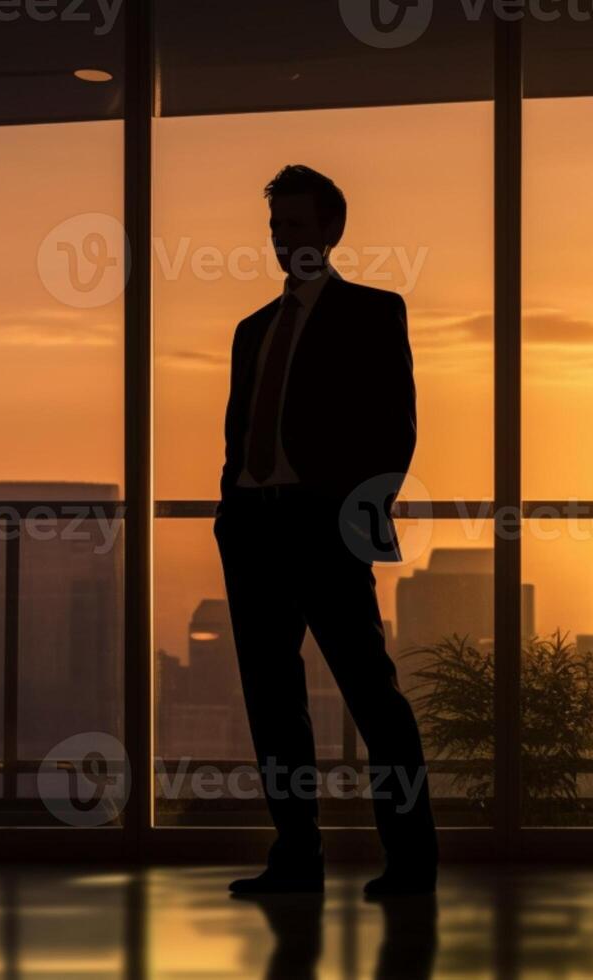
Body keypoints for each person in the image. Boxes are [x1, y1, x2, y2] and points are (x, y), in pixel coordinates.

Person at [213, 164, 438, 897]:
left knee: (373, 697)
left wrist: (356, 522)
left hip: (325, 529)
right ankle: (296, 857)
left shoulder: (374, 312)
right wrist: (229, 516)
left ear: (332, 230)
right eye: (277, 229)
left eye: (298, 227)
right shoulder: (251, 331)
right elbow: (237, 434)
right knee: (272, 703)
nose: (285, 242)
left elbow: (394, 433)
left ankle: (411, 860)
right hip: (253, 531)